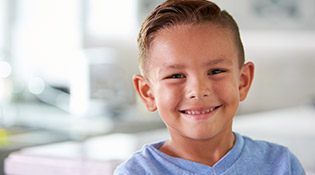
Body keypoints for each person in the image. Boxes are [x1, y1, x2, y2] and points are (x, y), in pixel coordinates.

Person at [114, 0, 305, 174]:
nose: (198, 90)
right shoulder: (136, 172)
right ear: (148, 94)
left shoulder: (281, 165)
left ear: (243, 81)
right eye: (176, 76)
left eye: (215, 71)